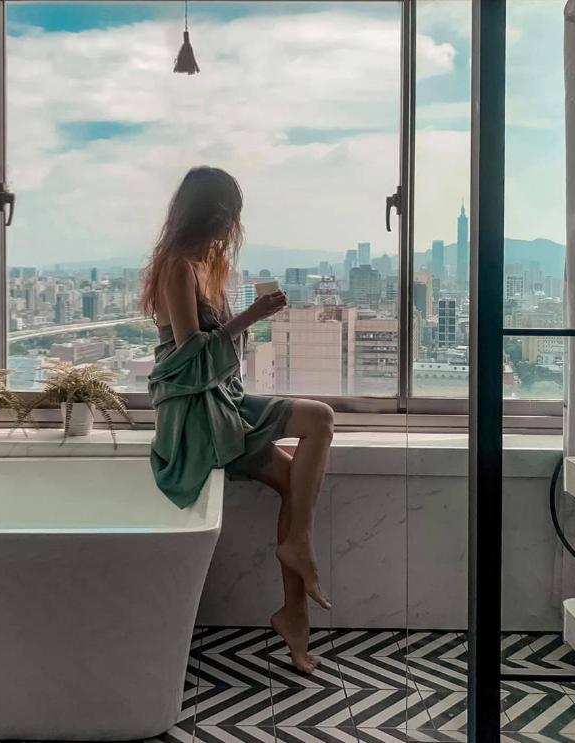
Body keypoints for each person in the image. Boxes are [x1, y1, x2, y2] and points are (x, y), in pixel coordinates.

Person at [143, 166, 334, 673]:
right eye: (227, 212)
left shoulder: (209, 265)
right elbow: (188, 354)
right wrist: (253, 316)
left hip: (221, 400)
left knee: (311, 443)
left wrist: (248, 317)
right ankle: (297, 564)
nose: (232, 222)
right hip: (196, 412)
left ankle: (294, 601)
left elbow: (215, 350)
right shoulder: (177, 266)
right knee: (317, 425)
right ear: (207, 212)